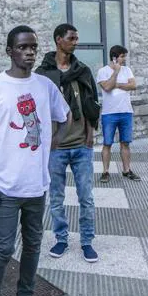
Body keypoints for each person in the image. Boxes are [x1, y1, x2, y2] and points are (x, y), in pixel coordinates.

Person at [0, 25, 71, 296]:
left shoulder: (45, 86)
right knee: (3, 249)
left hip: (37, 188)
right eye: (23, 47)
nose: (29, 52)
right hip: (4, 189)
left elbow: (66, 116)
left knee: (33, 247)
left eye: (33, 47)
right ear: (10, 51)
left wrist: (54, 144)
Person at [35, 23, 101, 263]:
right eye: (71, 38)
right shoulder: (42, 75)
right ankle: (61, 238)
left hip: (80, 144)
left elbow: (91, 102)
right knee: (56, 197)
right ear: (58, 40)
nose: (75, 42)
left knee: (86, 196)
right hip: (55, 148)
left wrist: (90, 133)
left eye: (76, 38)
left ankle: (86, 241)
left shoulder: (82, 70)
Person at [96, 45, 141, 183]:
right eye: (122, 56)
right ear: (115, 58)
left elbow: (133, 85)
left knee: (125, 143)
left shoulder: (127, 70)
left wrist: (117, 84)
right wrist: (115, 73)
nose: (124, 59)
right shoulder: (103, 71)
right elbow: (107, 87)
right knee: (107, 143)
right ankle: (105, 172)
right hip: (109, 114)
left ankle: (127, 170)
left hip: (126, 112)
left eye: (124, 56)